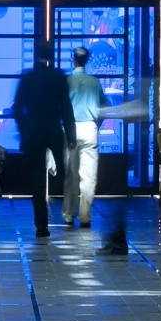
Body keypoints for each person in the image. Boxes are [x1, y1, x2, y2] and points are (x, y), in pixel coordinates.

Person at [13, 39, 76, 237]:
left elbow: (17, 107)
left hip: (33, 133)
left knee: (36, 181)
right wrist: (71, 134)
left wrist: (24, 128)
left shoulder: (29, 78)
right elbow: (66, 107)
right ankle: (61, 204)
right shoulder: (59, 77)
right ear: (53, 54)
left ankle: (41, 225)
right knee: (62, 172)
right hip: (53, 130)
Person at [62, 46, 107, 229]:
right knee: (88, 176)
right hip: (90, 128)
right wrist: (96, 125)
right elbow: (103, 108)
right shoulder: (94, 82)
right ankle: (85, 215)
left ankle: (68, 214)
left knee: (71, 174)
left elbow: (61, 108)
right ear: (86, 60)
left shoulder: (67, 81)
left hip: (71, 128)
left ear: (74, 60)